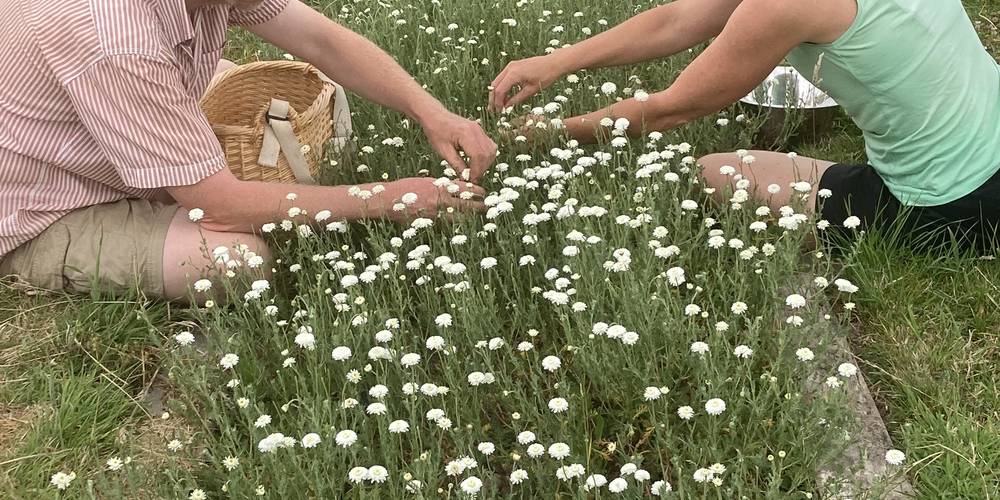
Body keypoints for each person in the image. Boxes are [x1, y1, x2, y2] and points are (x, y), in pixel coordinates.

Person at [0, 0, 497, 300]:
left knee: (307, 90)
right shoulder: (116, 39)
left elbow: (323, 41)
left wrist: (434, 112)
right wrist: (387, 198)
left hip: (94, 135)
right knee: (239, 260)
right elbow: (220, 205)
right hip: (44, 204)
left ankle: (167, 164)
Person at [490, 0, 1000, 249]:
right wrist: (558, 60)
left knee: (718, 173)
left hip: (953, 207)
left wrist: (551, 133)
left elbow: (676, 107)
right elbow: (682, 19)